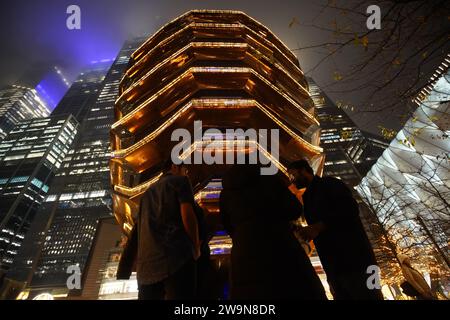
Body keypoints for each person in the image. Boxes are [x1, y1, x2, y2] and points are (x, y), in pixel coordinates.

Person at [219, 164, 327, 300]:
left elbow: (227, 224)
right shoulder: (268, 180)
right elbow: (294, 209)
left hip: (244, 254)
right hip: (280, 246)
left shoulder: (226, 193)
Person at [287, 159, 383, 300]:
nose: (292, 180)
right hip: (335, 267)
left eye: (293, 175)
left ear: (303, 170)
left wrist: (318, 227)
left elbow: (349, 209)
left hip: (357, 261)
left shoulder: (329, 183)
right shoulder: (308, 197)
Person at [118, 159, 201, 300]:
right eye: (185, 170)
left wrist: (124, 268)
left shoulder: (145, 195)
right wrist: (196, 246)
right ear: (175, 167)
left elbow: (136, 234)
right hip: (176, 259)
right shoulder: (180, 181)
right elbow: (187, 215)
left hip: (146, 270)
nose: (186, 174)